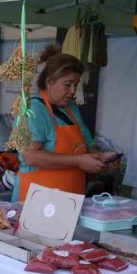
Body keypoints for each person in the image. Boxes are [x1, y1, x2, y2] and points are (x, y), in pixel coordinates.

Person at [14, 45, 115, 200]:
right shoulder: (32, 110)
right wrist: (79, 161)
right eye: (68, 85)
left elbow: (89, 144)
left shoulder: (72, 109)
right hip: (36, 200)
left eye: (76, 84)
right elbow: (31, 156)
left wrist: (99, 157)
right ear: (49, 82)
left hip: (70, 199)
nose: (73, 91)